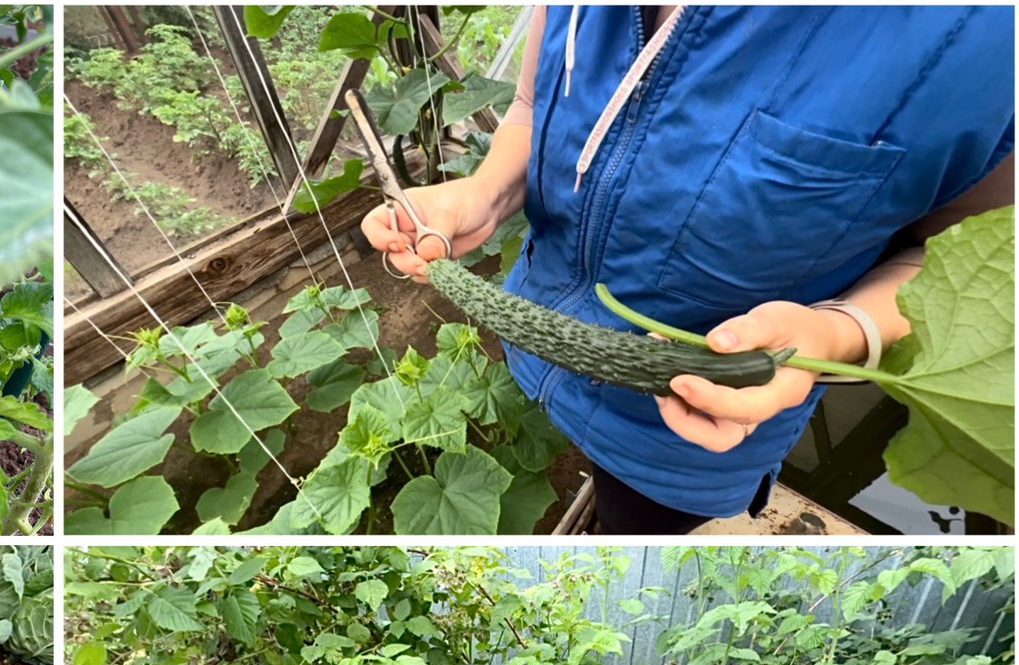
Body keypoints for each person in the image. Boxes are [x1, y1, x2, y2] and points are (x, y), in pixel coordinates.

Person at [363, 5, 1015, 533]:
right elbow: (534, 105)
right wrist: (484, 192)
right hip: (537, 341)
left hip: (684, 442)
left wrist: (837, 334)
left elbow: (975, 258)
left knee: (634, 526)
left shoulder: (986, 37)